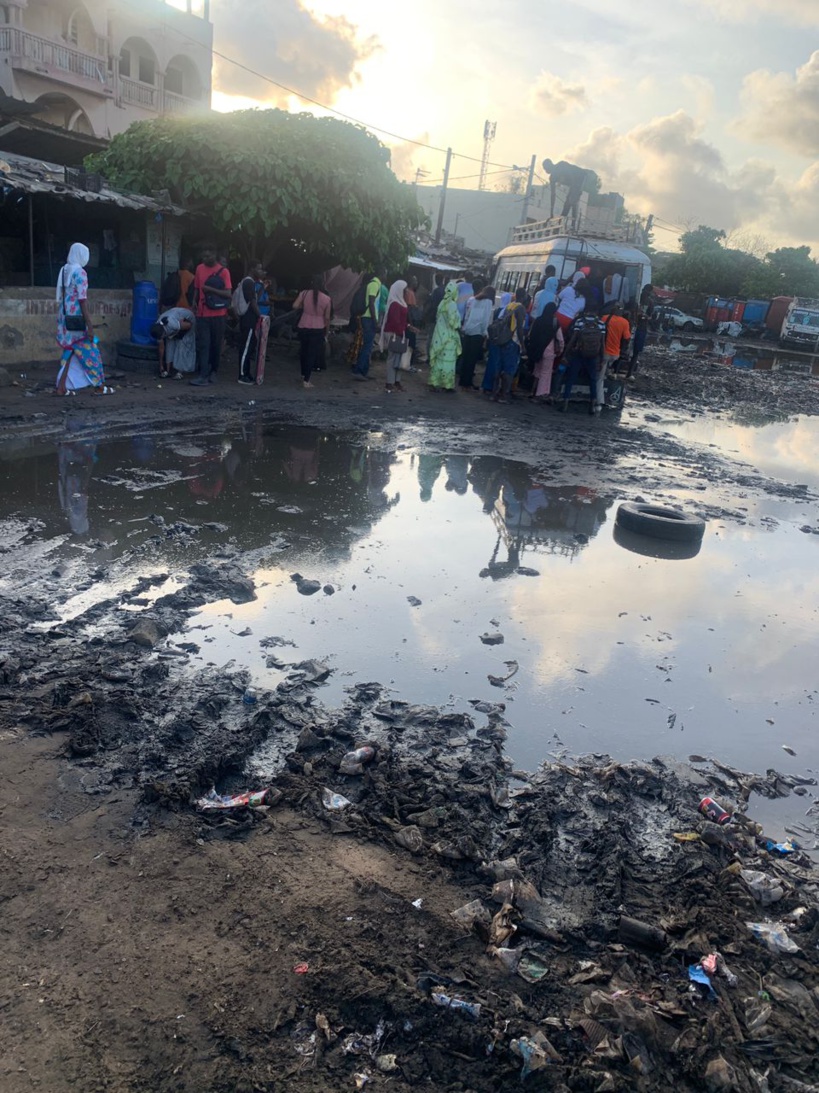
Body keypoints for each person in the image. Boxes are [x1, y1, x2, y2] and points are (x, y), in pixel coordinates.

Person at [54, 243, 112, 396]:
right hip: (78, 317)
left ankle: (61, 387)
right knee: (92, 351)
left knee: (70, 350)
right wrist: (90, 325)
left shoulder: (64, 269)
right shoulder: (80, 273)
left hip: (65, 316)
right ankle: (99, 386)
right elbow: (82, 300)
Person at [190, 245, 231, 386]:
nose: (206, 259)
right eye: (203, 257)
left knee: (215, 344)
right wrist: (194, 302)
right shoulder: (199, 269)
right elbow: (196, 287)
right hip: (202, 313)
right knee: (204, 344)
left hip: (219, 314)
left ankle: (214, 371)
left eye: (208, 256)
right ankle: (203, 374)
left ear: (214, 255)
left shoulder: (224, 272)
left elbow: (227, 293)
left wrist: (210, 290)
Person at [558, 308, 607, 414]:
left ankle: (565, 404)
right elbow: (602, 343)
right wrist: (602, 359)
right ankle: (592, 406)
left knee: (571, 378)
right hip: (593, 356)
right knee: (592, 380)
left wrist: (565, 354)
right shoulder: (601, 324)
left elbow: (573, 339)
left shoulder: (580, 321)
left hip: (578, 354)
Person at [294, 274, 331, 388]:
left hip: (303, 325)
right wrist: (327, 331)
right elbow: (327, 318)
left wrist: (304, 308)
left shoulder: (304, 293)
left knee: (303, 351)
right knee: (311, 354)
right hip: (318, 328)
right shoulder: (327, 299)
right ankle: (307, 380)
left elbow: (295, 306)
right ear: (323, 284)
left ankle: (302, 374)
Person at [382, 279, 418, 393]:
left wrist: (407, 326)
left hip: (399, 333)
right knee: (393, 359)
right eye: (405, 289)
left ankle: (396, 382)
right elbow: (394, 321)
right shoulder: (395, 304)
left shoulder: (400, 302)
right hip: (394, 333)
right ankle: (390, 383)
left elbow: (401, 320)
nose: (406, 290)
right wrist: (403, 330)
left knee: (400, 359)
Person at [493, 288, 528, 404]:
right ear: (524, 296)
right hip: (513, 342)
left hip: (504, 339)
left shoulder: (510, 305)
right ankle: (504, 395)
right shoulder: (521, 308)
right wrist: (523, 345)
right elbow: (519, 329)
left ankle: (495, 393)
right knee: (509, 370)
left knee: (499, 367)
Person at [235, 261, 266, 385]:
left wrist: (262, 287)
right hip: (248, 320)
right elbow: (253, 302)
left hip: (249, 320)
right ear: (252, 269)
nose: (261, 271)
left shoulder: (251, 283)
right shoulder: (248, 282)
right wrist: (261, 316)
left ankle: (246, 373)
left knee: (248, 347)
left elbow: (255, 298)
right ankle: (242, 375)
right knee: (246, 348)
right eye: (259, 269)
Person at [526, 302, 563, 403]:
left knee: (537, 370)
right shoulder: (555, 322)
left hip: (537, 349)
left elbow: (531, 334)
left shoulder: (538, 320)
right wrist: (560, 349)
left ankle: (532, 391)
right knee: (545, 373)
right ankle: (540, 394)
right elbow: (560, 339)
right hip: (549, 350)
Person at [428, 281, 461, 392]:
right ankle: (446, 385)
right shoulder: (452, 304)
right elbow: (454, 322)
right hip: (449, 338)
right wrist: (459, 324)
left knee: (438, 359)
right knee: (448, 361)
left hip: (439, 335)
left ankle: (434, 382)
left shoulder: (442, 303)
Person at [460, 286, 494, 389]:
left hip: (468, 330)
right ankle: (468, 381)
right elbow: (485, 319)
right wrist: (485, 333)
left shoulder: (474, 299)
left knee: (465, 357)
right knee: (472, 359)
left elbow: (467, 315)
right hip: (478, 332)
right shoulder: (488, 302)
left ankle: (462, 380)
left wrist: (465, 328)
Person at [598, 302, 631, 409]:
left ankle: (599, 401)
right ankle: (609, 372)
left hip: (604, 353)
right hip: (615, 355)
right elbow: (627, 338)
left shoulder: (604, 318)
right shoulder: (625, 322)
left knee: (599, 379)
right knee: (607, 367)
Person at [351, 270, 382, 379]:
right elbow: (372, 303)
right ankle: (358, 371)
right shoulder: (374, 284)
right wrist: (375, 321)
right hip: (368, 318)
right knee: (367, 346)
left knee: (368, 347)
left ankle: (364, 371)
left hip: (368, 318)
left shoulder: (375, 284)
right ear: (381, 274)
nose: (386, 275)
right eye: (385, 273)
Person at [151, 307, 196, 379]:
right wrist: (161, 365)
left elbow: (188, 325)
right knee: (169, 343)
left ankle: (180, 371)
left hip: (188, 320)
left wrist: (177, 335)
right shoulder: (158, 327)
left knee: (182, 344)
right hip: (175, 321)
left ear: (163, 333)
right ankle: (168, 371)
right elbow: (161, 348)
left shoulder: (172, 324)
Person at [481, 289, 507, 395]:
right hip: (499, 341)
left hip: (492, 340)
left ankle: (486, 385)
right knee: (495, 365)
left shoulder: (497, 310)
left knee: (491, 364)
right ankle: (491, 387)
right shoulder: (506, 311)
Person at [627, 307, 649, 380]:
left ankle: (616, 371)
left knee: (630, 355)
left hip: (627, 343)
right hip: (633, 343)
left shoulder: (629, 321)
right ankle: (629, 374)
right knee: (634, 356)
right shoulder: (642, 328)